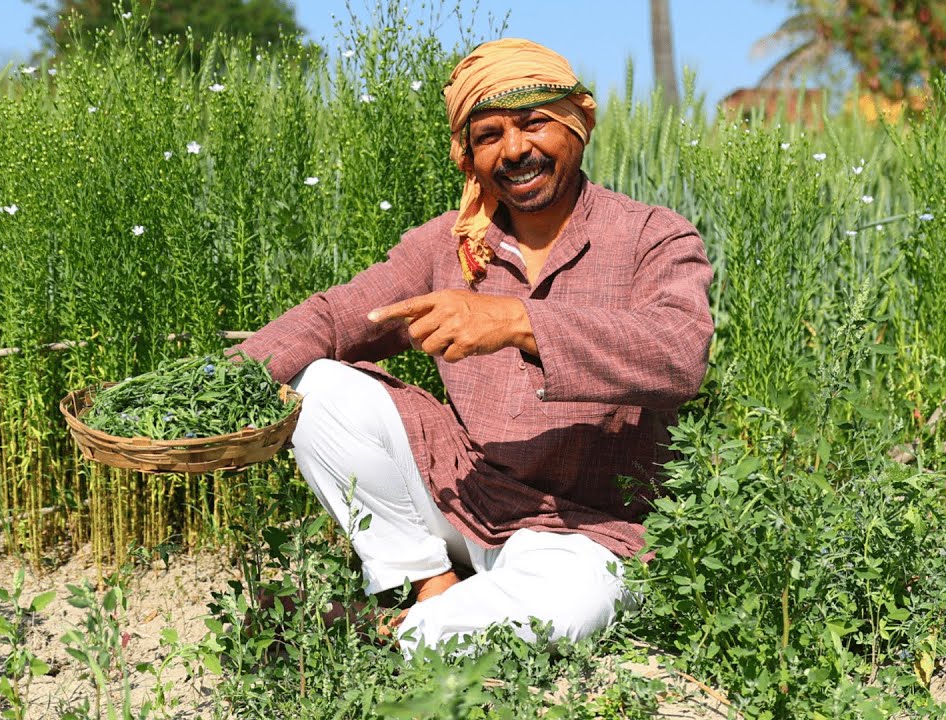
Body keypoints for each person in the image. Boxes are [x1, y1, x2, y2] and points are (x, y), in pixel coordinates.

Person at [230, 37, 713, 656]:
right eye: (489, 135)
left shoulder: (652, 237)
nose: (514, 150)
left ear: (578, 124)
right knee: (318, 386)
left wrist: (517, 321)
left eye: (534, 123)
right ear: (468, 155)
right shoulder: (448, 245)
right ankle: (428, 582)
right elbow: (338, 316)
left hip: (583, 530)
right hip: (464, 496)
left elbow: (678, 355)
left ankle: (382, 636)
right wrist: (218, 385)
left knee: (570, 605)